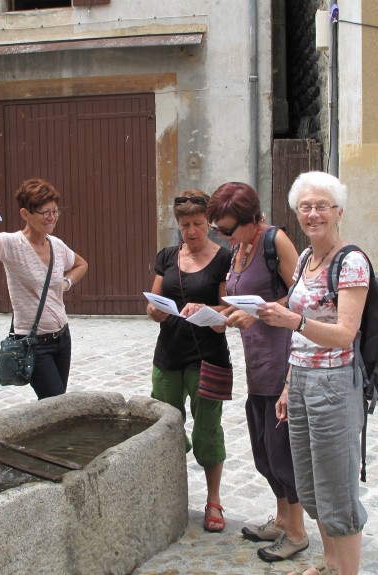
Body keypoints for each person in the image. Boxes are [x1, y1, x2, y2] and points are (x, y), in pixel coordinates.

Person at [256, 171, 369, 575]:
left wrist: (294, 321)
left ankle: (347, 571)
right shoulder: (305, 258)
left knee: (337, 488)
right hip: (302, 381)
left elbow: (344, 335)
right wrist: (288, 384)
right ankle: (329, 561)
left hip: (334, 385)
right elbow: (300, 341)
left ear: (339, 212)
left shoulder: (351, 262)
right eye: (305, 206)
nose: (313, 213)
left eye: (322, 206)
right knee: (310, 483)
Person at [206, 182, 309, 562]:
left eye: (228, 228)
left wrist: (259, 312)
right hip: (257, 364)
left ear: (253, 221)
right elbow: (238, 301)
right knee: (264, 452)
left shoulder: (274, 241)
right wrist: (214, 315)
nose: (222, 234)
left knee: (282, 452)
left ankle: (297, 532)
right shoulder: (240, 247)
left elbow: (302, 297)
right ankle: (282, 519)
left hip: (283, 361)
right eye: (219, 228)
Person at [147, 189, 233, 533]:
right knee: (166, 428)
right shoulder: (167, 256)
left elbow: (230, 310)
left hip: (208, 359)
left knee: (207, 431)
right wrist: (155, 311)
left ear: (209, 223)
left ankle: (213, 500)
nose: (192, 231)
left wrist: (208, 310)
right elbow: (153, 301)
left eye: (198, 224)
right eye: (185, 225)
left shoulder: (224, 259)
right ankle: (172, 493)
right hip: (168, 356)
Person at [0, 178, 88, 400]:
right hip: (35, 344)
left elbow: (81, 264)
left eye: (55, 211)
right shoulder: (13, 244)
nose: (51, 218)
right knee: (57, 404)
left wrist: (66, 282)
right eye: (44, 212)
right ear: (25, 214)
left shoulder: (57, 246)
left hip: (62, 337)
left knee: (55, 404)